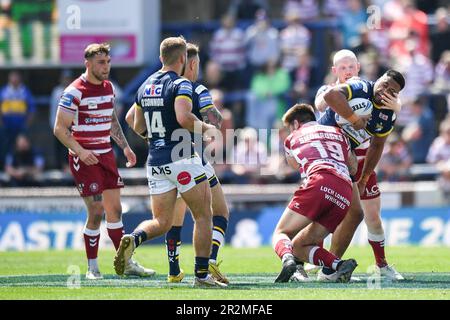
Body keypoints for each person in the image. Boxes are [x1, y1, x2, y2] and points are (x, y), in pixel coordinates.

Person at [115, 37, 226, 288]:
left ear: (160, 58)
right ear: (182, 59)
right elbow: (184, 117)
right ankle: (201, 276)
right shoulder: (181, 83)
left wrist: (151, 137)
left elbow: (133, 119)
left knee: (162, 222)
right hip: (182, 156)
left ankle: (133, 239)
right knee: (203, 216)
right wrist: (207, 128)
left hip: (155, 161)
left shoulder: (146, 85)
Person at [53, 43, 154, 280]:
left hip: (107, 154)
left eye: (108, 62)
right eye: (101, 62)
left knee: (115, 211)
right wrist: (79, 151)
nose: (106, 67)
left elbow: (111, 120)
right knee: (96, 211)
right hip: (85, 158)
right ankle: (92, 267)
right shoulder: (74, 91)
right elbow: (59, 129)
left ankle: (126, 263)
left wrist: (126, 147)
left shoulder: (109, 88)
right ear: (87, 63)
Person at [317, 69, 406, 282]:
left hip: (359, 162)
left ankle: (380, 264)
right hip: (330, 155)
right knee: (329, 212)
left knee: (371, 215)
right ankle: (316, 263)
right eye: (384, 84)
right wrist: (353, 118)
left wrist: (365, 177)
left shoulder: (387, 112)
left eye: (392, 91)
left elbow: (377, 145)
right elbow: (327, 98)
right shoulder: (358, 87)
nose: (385, 91)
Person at [272, 103, 358, 283]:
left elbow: (295, 165)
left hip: (319, 180)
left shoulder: (293, 137)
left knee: (282, 232)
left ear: (295, 124)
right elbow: (353, 166)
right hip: (345, 190)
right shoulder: (339, 133)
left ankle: (288, 261)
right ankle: (340, 264)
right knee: (301, 245)